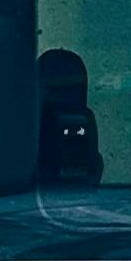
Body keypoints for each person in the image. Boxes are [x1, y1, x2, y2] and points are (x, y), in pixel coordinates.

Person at [36, 48, 106, 187]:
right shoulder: (31, 125)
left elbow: (89, 170)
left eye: (73, 90)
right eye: (56, 91)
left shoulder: (83, 119)